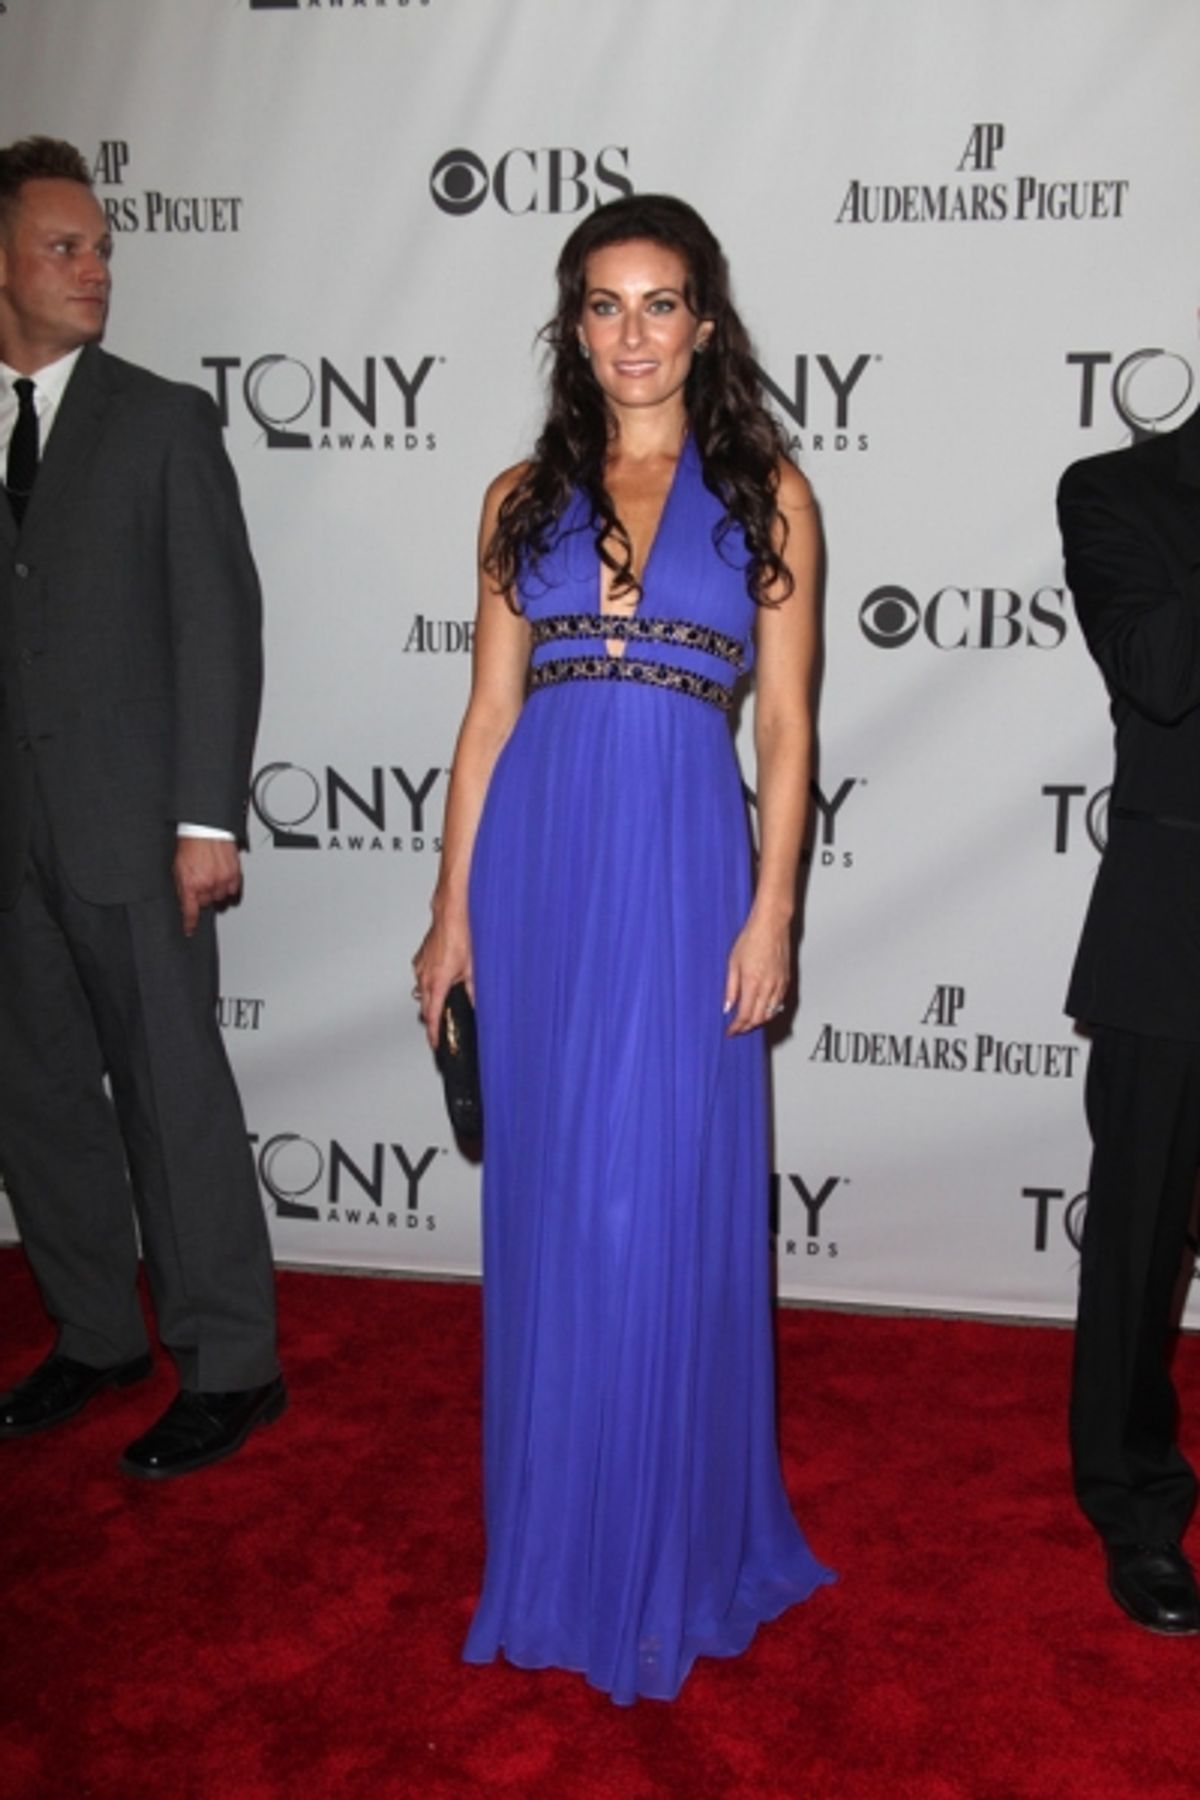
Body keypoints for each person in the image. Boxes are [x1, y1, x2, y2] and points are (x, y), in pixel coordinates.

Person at [413, 193, 833, 1703]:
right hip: (540, 871)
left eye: (662, 303)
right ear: (570, 325)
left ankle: (669, 1546)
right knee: (555, 1212)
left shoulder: (770, 493)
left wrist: (774, 903)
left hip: (682, 865)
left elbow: (784, 727)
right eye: (605, 303)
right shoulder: (517, 496)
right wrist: (453, 910)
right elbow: (486, 721)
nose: (634, 332)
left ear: (705, 323)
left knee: (658, 1208)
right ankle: (558, 1538)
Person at [0, 137, 284, 1478]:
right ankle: (97, 1332)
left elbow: (218, 621)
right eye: (66, 247)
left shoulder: (161, 418)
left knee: (174, 1100)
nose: (96, 267)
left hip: (134, 829)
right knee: (37, 1097)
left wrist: (207, 819)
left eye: (104, 246)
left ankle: (230, 1361)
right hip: (10, 841)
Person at [1058, 403, 1200, 1633]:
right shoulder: (1117, 491)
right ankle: (1135, 1505)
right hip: (1181, 931)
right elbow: (1160, 676)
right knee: (1144, 1241)